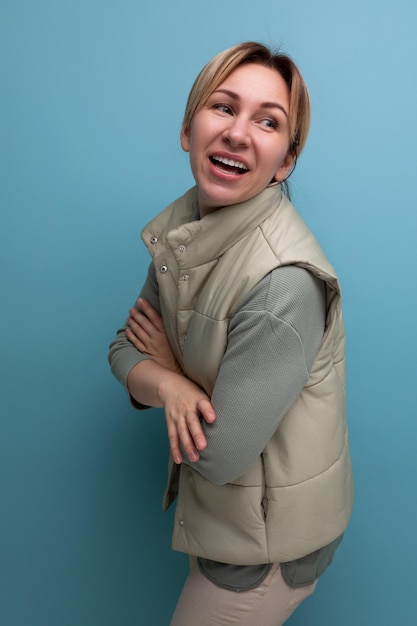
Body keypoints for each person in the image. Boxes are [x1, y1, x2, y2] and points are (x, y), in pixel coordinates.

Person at [108, 41, 353, 625]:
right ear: (188, 130)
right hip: (227, 523)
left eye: (268, 122)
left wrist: (164, 369)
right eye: (223, 107)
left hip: (265, 550)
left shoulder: (284, 286)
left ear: (285, 162)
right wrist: (169, 387)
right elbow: (123, 348)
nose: (239, 133)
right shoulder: (183, 236)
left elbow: (215, 455)